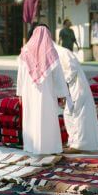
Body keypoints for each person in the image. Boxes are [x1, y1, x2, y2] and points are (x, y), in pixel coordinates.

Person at [17, 25, 71, 155]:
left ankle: (32, 146)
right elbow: (58, 76)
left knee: (31, 118)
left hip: (29, 93)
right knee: (46, 119)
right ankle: (48, 147)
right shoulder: (51, 52)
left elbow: (20, 75)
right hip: (47, 93)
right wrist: (62, 94)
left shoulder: (25, 52)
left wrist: (20, 93)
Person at [54, 43, 98, 151]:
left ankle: (78, 145)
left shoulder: (63, 52)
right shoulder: (56, 53)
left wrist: (63, 85)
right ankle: (74, 142)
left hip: (76, 87)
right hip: (72, 88)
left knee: (76, 115)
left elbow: (71, 69)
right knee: (69, 114)